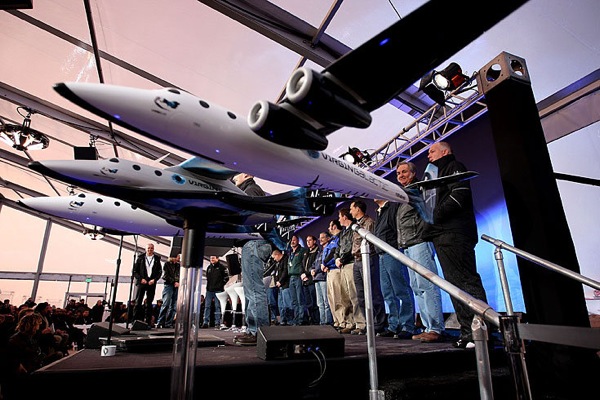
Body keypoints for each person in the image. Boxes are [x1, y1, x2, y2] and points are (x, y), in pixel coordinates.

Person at [424, 141, 488, 349]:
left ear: (445, 151)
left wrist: (434, 216)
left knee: (466, 282)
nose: (429, 156)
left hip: (455, 234)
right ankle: (468, 331)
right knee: (454, 286)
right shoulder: (435, 175)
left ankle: (480, 332)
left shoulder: (454, 166)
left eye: (432, 151)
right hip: (442, 235)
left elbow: (458, 196)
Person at [396, 161, 446, 342]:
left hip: (419, 242)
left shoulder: (417, 189)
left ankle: (435, 328)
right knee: (417, 288)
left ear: (413, 173)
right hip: (407, 246)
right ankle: (428, 327)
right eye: (398, 173)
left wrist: (422, 234)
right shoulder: (405, 194)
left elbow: (427, 213)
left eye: (404, 172)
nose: (400, 175)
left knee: (427, 285)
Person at [232, 172, 272, 346]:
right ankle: (252, 329)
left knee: (254, 290)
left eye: (236, 175)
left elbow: (247, 215)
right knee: (251, 290)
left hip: (254, 242)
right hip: (253, 243)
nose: (233, 178)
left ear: (247, 175)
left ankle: (258, 331)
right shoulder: (251, 190)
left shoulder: (251, 190)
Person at [373, 198, 416, 339]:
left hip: (392, 252)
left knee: (401, 289)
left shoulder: (392, 208)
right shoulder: (379, 212)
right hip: (381, 255)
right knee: (388, 293)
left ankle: (407, 325)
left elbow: (395, 230)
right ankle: (394, 325)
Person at [349, 200, 387, 335]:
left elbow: (371, 242)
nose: (350, 211)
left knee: (373, 292)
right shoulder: (356, 225)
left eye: (351, 208)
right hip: (356, 261)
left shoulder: (369, 222)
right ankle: (368, 323)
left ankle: (379, 323)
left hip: (368, 259)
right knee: (361, 295)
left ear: (358, 209)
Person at [334, 208, 363, 334]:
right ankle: (350, 322)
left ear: (344, 217)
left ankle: (361, 323)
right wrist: (336, 258)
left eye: (340, 216)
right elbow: (338, 248)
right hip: (342, 266)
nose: (339, 219)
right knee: (345, 296)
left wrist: (343, 259)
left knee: (354, 295)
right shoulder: (342, 233)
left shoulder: (354, 229)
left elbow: (353, 246)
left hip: (350, 264)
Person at [133, 242, 163, 326]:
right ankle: (135, 320)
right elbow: (135, 271)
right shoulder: (140, 258)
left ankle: (148, 322)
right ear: (145, 249)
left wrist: (154, 279)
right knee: (138, 301)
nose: (150, 250)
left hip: (151, 282)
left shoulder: (157, 259)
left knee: (149, 302)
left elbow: (159, 272)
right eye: (148, 248)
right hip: (142, 281)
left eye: (151, 248)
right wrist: (140, 279)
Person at [312, 231, 334, 325]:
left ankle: (327, 322)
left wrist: (316, 270)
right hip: (317, 279)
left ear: (328, 238)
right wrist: (312, 270)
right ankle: (322, 322)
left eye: (323, 237)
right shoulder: (320, 252)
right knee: (320, 303)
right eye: (319, 237)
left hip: (323, 278)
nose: (320, 239)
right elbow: (314, 264)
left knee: (326, 302)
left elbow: (323, 265)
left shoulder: (329, 249)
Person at [202, 255, 229, 329]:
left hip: (218, 290)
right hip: (209, 290)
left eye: (213, 258)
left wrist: (220, 285)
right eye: (211, 258)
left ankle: (217, 322)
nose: (212, 259)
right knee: (207, 306)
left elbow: (226, 278)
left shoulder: (222, 267)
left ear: (217, 258)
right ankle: (205, 322)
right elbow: (208, 278)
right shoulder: (209, 267)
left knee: (217, 306)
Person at [287, 235, 307, 325]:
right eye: (291, 240)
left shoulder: (302, 251)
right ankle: (296, 319)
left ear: (298, 241)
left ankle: (301, 319)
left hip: (298, 277)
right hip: (291, 278)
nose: (292, 242)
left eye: (294, 240)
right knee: (294, 301)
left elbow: (304, 263)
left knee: (300, 300)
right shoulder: (290, 252)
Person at [301, 234, 320, 324]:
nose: (308, 242)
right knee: (308, 303)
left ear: (315, 241)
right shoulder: (306, 253)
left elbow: (314, 266)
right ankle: (311, 320)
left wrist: (306, 274)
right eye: (307, 241)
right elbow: (302, 265)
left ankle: (317, 320)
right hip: (305, 281)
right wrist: (302, 274)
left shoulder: (318, 252)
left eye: (310, 240)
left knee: (314, 302)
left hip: (312, 279)